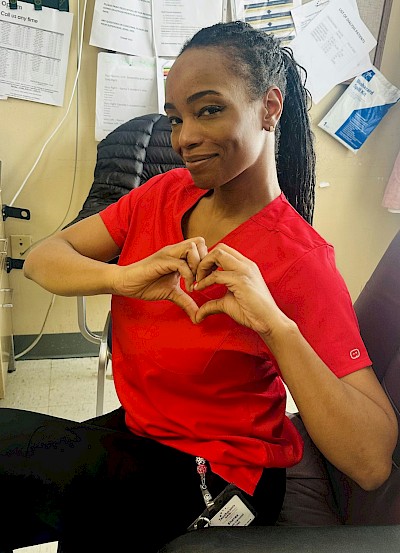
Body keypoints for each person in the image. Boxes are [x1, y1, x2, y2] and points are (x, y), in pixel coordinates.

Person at [1, 20, 397, 553]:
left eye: (208, 110)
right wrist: (124, 277)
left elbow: (371, 463)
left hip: (223, 473)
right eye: (176, 118)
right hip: (143, 432)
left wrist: (275, 326)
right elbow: (42, 260)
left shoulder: (301, 262)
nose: (184, 137)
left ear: (269, 108)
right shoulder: (164, 193)